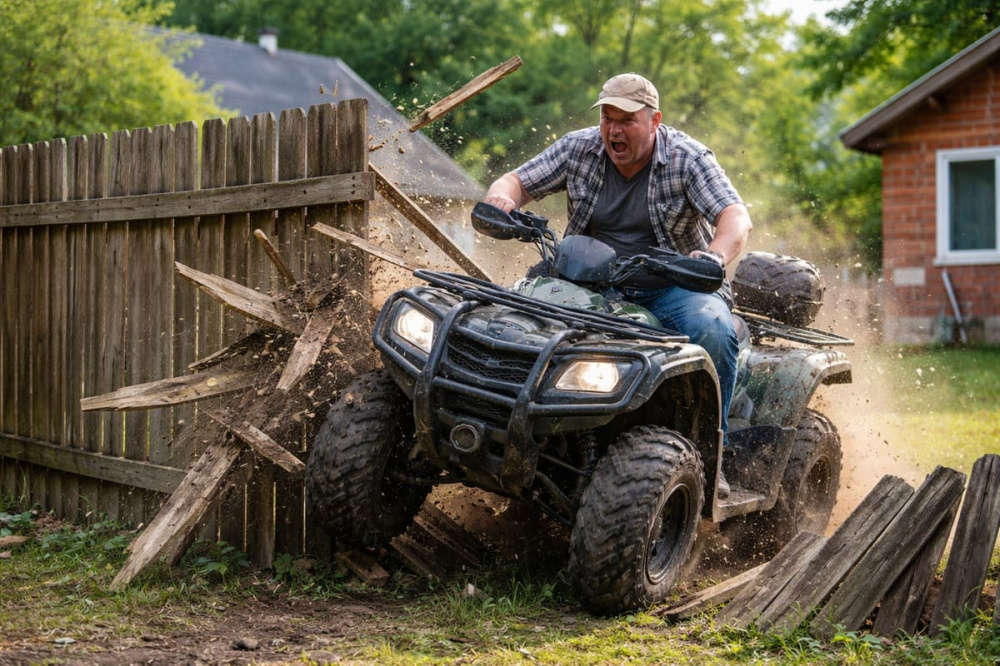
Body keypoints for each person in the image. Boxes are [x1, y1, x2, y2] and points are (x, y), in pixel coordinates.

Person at [483, 72, 752, 498]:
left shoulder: (688, 158)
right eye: (608, 118)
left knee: (713, 331)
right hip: (586, 280)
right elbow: (516, 180)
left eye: (626, 120)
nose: (613, 130)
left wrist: (715, 256)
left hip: (674, 286)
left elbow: (734, 216)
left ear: (654, 121)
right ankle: (497, 424)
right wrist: (502, 199)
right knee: (511, 312)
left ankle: (709, 460)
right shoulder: (580, 146)